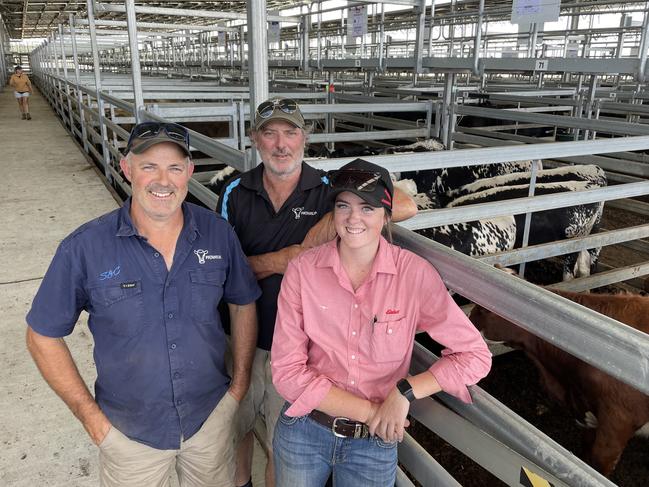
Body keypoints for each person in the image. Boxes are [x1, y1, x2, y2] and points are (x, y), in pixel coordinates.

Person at [26, 121, 261, 486]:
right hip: (128, 435)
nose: (162, 180)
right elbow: (42, 336)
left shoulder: (218, 234)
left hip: (209, 420)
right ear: (127, 168)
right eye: (149, 166)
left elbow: (243, 303)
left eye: (174, 168)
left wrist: (239, 386)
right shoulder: (85, 247)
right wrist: (91, 418)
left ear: (190, 172)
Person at [217, 97, 418, 487]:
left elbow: (405, 204)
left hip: (301, 350)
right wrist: (281, 260)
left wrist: (333, 218)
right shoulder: (235, 192)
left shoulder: (329, 187)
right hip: (239, 335)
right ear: (255, 139)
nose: (281, 144)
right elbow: (220, 267)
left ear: (305, 137)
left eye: (290, 132)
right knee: (234, 431)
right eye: (270, 133)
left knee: (282, 439)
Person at [270, 158, 492, 486]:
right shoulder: (303, 271)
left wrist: (405, 392)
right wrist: (374, 413)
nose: (353, 218)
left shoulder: (414, 275)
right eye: (343, 206)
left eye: (368, 208)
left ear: (387, 215)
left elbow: (475, 357)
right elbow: (287, 373)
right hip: (306, 430)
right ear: (333, 212)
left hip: (371, 446)